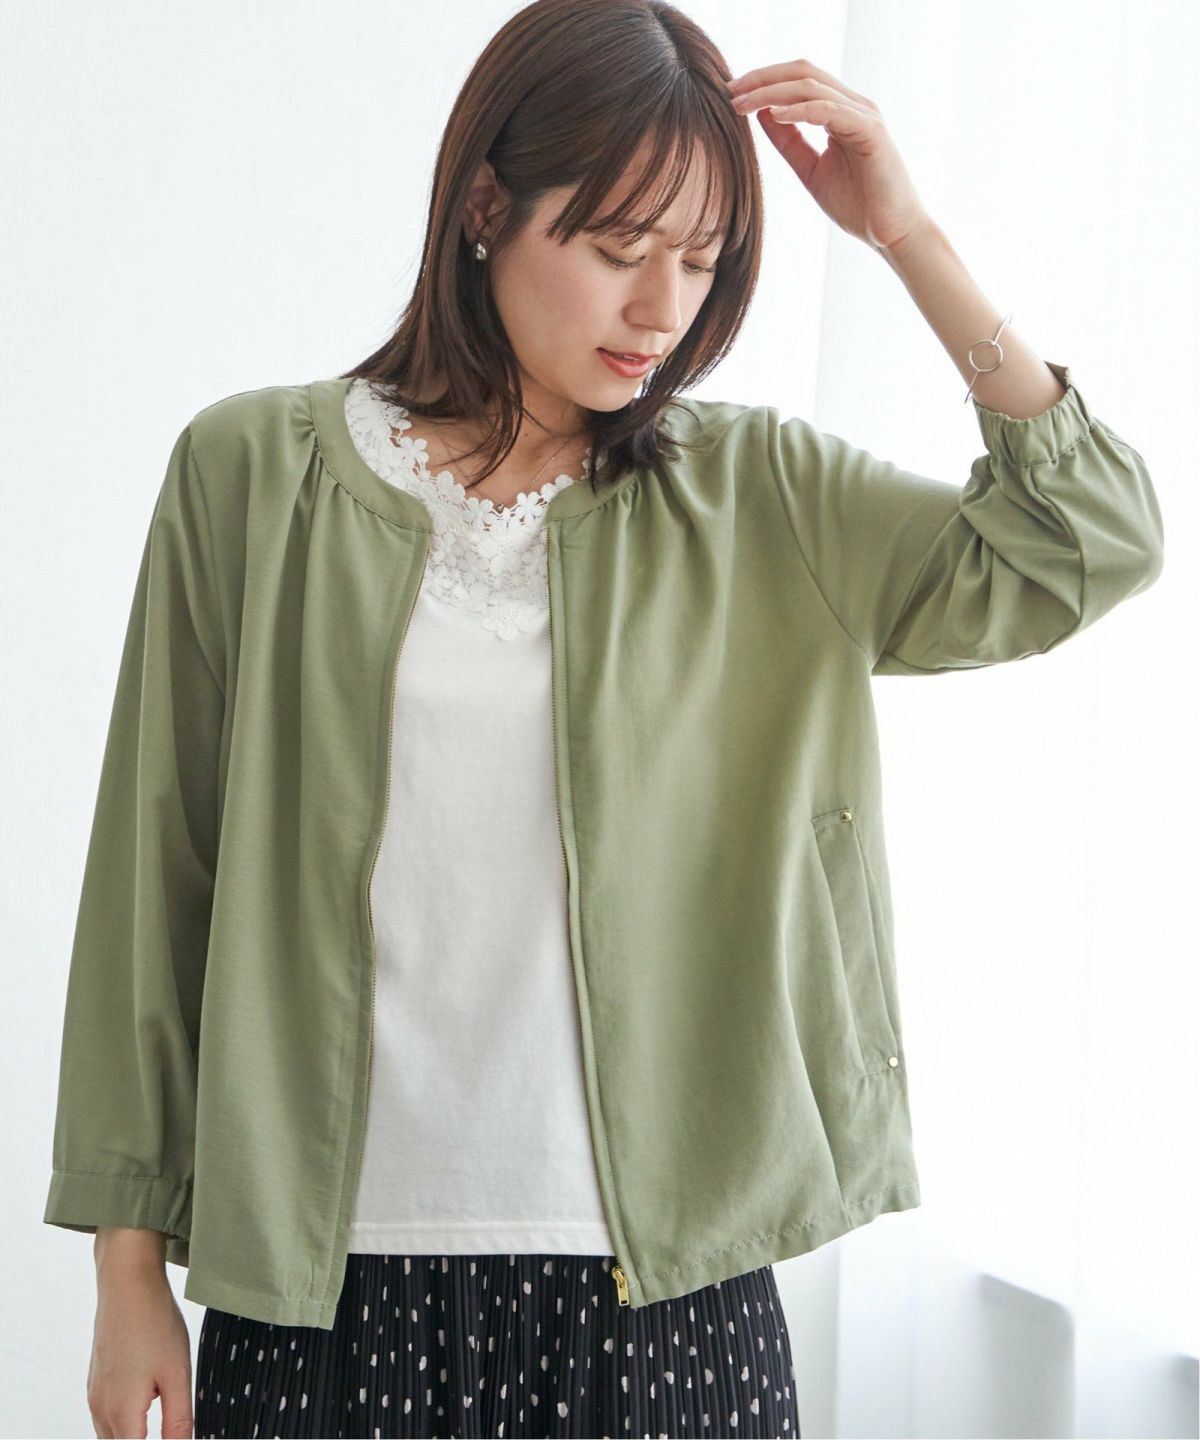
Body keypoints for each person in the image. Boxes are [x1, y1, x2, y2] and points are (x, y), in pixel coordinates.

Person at [45, 1, 1165, 1437]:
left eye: (702, 260)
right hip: (317, 1297)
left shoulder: (757, 497)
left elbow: (1087, 538)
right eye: (622, 249)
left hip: (668, 1299)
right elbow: (158, 879)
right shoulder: (253, 478)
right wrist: (127, 1271)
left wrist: (905, 237)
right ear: (486, 209)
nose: (662, 311)